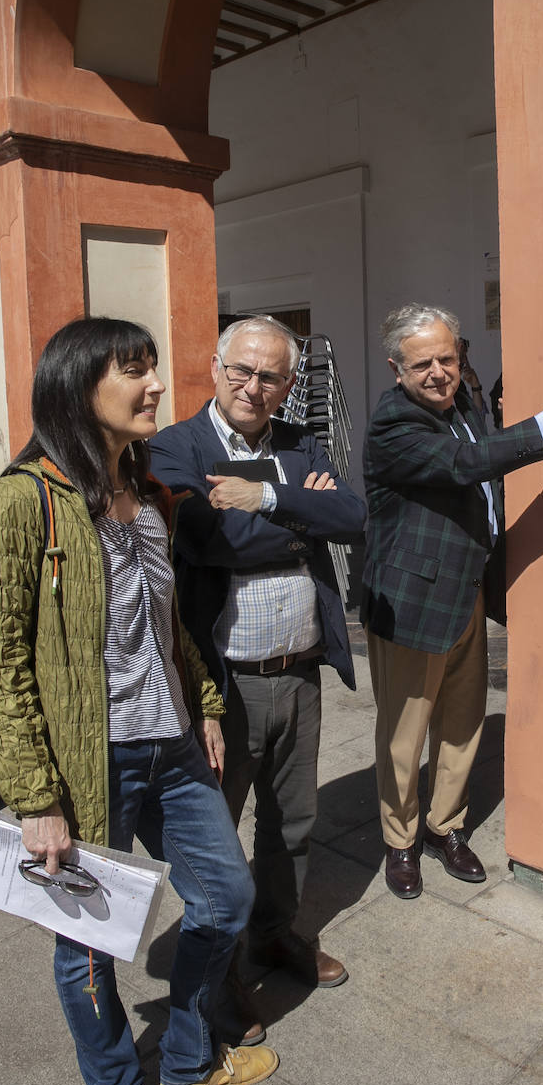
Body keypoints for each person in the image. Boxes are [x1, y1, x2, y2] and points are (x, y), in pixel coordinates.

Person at [0, 317, 278, 1085]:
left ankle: (181, 1064)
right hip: (84, 761)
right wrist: (35, 798)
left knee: (225, 897)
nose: (154, 387)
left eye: (150, 369)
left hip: (171, 745)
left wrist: (205, 704)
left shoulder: (151, 492)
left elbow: (166, 626)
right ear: (78, 387)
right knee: (90, 949)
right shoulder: (24, 501)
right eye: (132, 371)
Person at [362, 303, 543, 898]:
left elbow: (482, 444)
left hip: (466, 588)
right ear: (395, 368)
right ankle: (400, 840)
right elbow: (466, 463)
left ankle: (446, 827)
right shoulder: (394, 425)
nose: (439, 372)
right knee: (404, 735)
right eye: (422, 365)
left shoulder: (465, 398)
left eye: (448, 358)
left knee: (463, 722)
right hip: (413, 600)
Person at [148, 316, 366, 998]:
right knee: (218, 830)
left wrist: (268, 498)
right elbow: (210, 539)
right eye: (241, 370)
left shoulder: (301, 443)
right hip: (225, 683)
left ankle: (275, 933)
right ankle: (218, 971)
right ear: (214, 367)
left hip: (298, 670)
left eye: (270, 376)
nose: (253, 386)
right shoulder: (174, 447)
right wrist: (304, 518)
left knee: (293, 821)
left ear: (290, 385)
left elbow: (355, 520)